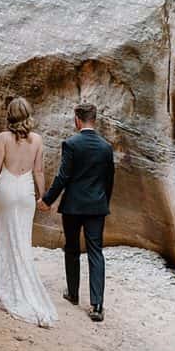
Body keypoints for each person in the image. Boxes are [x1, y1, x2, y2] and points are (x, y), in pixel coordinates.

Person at [0, 97, 57, 327]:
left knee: (4, 236)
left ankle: (2, 283)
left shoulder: (3, 138)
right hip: (26, 192)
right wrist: (43, 197)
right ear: (29, 114)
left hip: (6, 189)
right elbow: (39, 171)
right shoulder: (38, 140)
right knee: (22, 238)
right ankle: (24, 282)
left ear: (10, 115)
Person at [39, 102, 115, 322]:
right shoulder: (105, 147)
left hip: (73, 206)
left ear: (77, 120)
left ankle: (73, 293)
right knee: (95, 251)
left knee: (72, 248)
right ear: (95, 119)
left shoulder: (71, 144)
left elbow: (63, 177)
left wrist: (47, 200)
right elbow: (109, 180)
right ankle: (97, 305)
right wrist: (103, 202)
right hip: (96, 207)